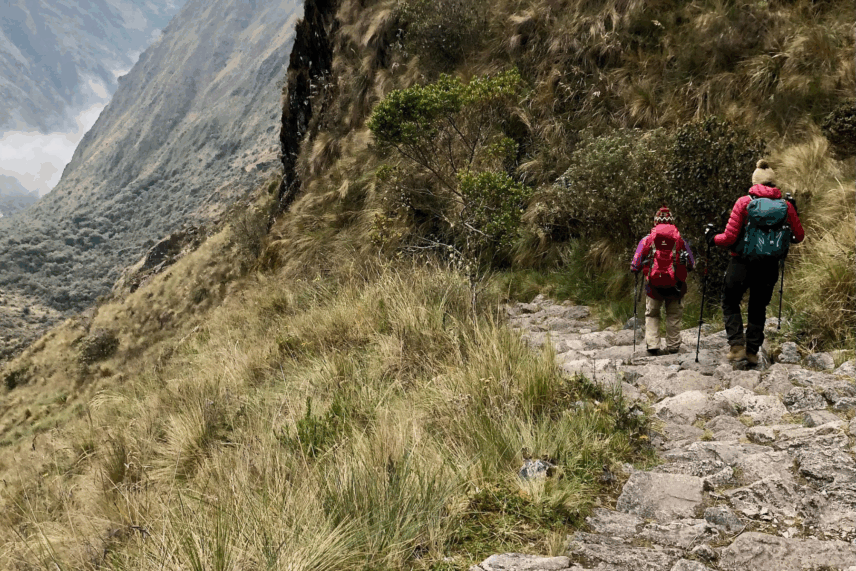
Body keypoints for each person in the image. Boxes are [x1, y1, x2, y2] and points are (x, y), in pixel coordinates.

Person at [707, 160, 804, 364]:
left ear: (754, 181)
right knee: (758, 307)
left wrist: (712, 237)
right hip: (769, 266)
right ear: (773, 182)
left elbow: (729, 238)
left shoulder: (744, 203)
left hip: (741, 263)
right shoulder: (785, 206)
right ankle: (752, 352)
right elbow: (799, 236)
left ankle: (736, 347)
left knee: (730, 301)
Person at [631, 206, 696, 356]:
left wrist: (636, 269)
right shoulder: (680, 240)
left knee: (652, 314)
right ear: (672, 222)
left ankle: (653, 344)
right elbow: (692, 264)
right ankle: (673, 346)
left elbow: (635, 264)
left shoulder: (647, 239)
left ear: (655, 222)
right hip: (677, 286)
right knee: (673, 315)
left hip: (653, 286)